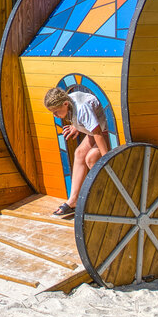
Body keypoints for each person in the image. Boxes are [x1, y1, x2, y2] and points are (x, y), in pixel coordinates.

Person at [43, 86, 111, 218]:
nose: (55, 115)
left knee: (91, 158)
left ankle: (104, 196)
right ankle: (73, 200)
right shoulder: (70, 104)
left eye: (56, 112)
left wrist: (106, 158)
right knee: (79, 153)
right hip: (96, 129)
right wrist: (76, 126)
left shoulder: (81, 108)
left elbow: (97, 132)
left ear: (65, 103)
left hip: (105, 131)